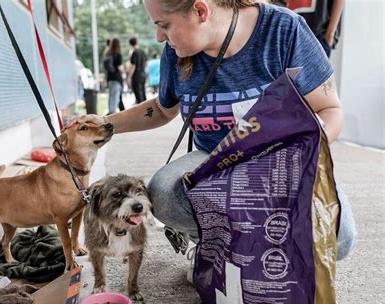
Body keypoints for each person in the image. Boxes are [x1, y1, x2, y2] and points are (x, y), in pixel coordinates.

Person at [70, 0, 356, 267]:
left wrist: (295, 160)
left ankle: (259, 250)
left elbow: (330, 110)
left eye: (164, 24)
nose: (159, 36)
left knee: (338, 237)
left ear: (200, 11)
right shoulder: (175, 52)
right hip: (214, 159)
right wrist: (103, 123)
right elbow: (161, 108)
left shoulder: (283, 30)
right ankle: (215, 247)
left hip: (281, 160)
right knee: (163, 193)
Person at [103, 38, 124, 115]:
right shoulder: (118, 54)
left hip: (110, 78)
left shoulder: (107, 53)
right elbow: (120, 67)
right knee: (115, 97)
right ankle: (112, 113)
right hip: (117, 78)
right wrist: (123, 71)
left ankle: (110, 111)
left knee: (111, 96)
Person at [127, 37, 148, 104]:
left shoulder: (134, 52)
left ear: (130, 44)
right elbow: (145, 63)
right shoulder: (142, 51)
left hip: (136, 75)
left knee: (138, 94)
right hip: (143, 74)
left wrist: (129, 77)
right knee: (143, 92)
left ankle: (141, 110)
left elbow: (133, 66)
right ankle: (146, 108)